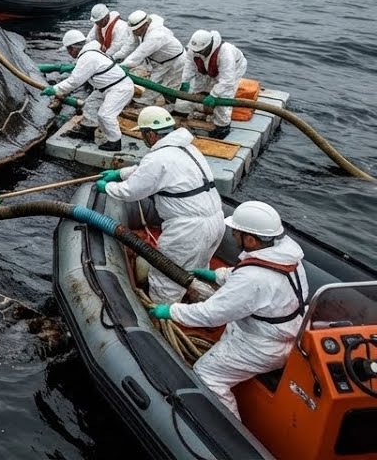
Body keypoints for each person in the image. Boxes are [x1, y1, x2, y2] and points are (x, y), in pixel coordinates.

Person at [153, 201, 308, 419]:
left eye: (236, 233)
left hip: (263, 346)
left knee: (207, 375)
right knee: (233, 323)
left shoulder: (253, 278)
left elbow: (210, 315)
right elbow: (248, 274)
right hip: (282, 331)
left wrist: (170, 311)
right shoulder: (287, 258)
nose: (233, 236)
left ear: (250, 240)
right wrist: (217, 275)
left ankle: (227, 427)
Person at [96, 107, 225, 304]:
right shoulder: (188, 149)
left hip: (187, 230)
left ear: (151, 134)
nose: (143, 139)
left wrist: (108, 187)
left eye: (143, 134)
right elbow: (152, 171)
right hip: (216, 222)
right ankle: (199, 306)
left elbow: (131, 191)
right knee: (197, 268)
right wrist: (121, 173)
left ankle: (164, 314)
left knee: (165, 277)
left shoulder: (157, 158)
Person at [43, 29, 134, 151]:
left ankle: (115, 142)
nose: (69, 53)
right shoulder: (91, 53)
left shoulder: (88, 57)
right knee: (89, 105)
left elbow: (74, 81)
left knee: (105, 115)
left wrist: (54, 89)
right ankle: (89, 129)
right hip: (107, 87)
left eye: (69, 50)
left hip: (119, 89)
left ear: (73, 48)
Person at [176, 30, 248, 140]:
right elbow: (189, 66)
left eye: (200, 51)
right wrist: (185, 81)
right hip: (206, 68)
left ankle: (222, 126)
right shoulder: (194, 50)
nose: (197, 53)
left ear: (208, 46)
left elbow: (227, 81)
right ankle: (202, 113)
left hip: (233, 68)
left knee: (223, 97)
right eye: (196, 51)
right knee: (199, 89)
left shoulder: (225, 53)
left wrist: (214, 95)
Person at [121, 10, 187, 108]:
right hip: (158, 61)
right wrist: (116, 57)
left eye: (136, 29)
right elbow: (131, 45)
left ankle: (170, 107)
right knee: (153, 82)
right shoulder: (138, 31)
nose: (134, 32)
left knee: (169, 87)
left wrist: (122, 66)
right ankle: (144, 102)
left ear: (145, 25)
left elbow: (139, 54)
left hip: (176, 61)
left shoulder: (156, 36)